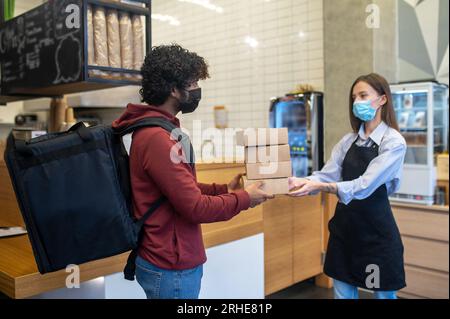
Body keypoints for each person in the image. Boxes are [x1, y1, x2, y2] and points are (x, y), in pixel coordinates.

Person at [112, 44, 274, 299]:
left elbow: (180, 188)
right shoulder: (158, 138)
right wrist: (245, 198)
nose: (198, 89)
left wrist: (224, 190)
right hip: (169, 265)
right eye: (193, 82)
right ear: (174, 89)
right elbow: (194, 207)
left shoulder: (165, 131)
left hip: (170, 259)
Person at [288, 73, 407, 299]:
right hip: (344, 233)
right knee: (342, 293)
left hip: (375, 237)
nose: (357, 102)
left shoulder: (393, 143)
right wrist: (300, 182)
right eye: (354, 97)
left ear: (382, 99)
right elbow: (326, 174)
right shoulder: (347, 141)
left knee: (382, 295)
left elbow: (364, 185)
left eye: (363, 95)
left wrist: (321, 186)